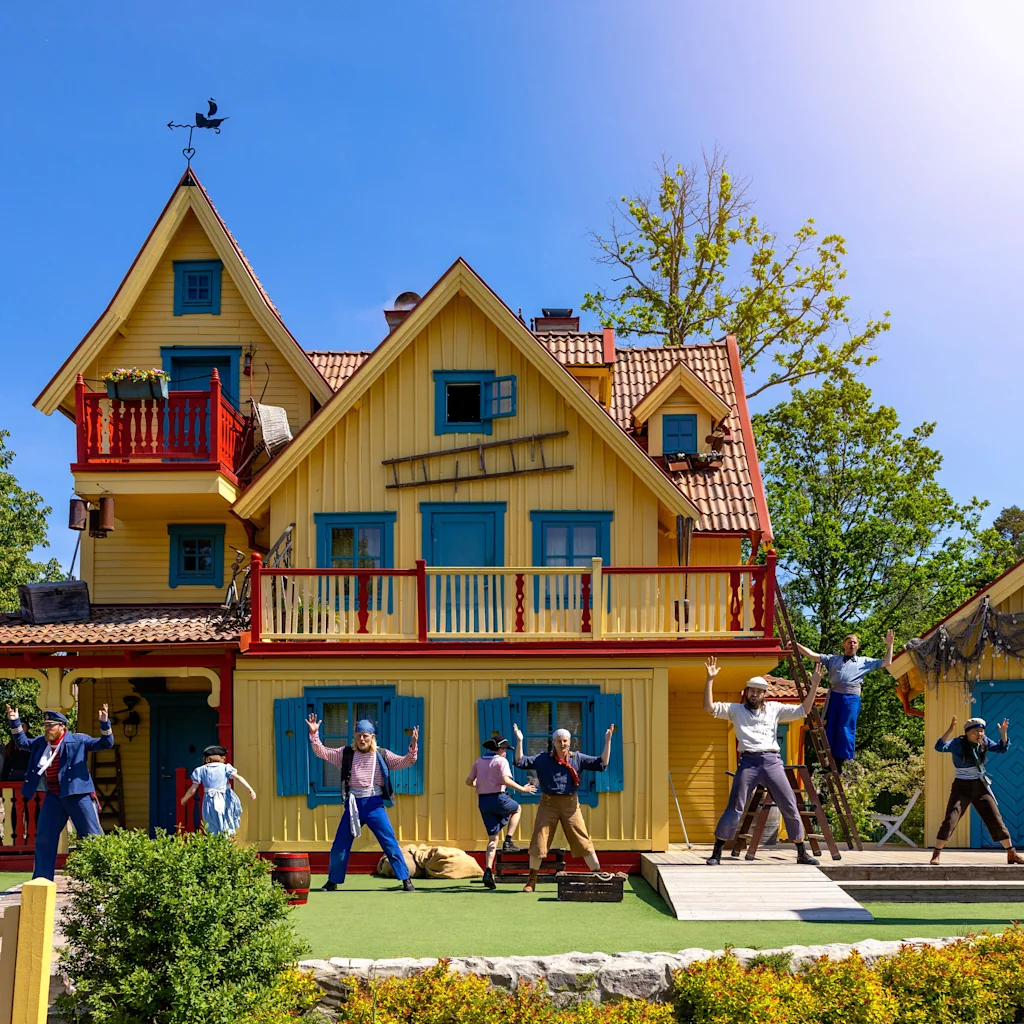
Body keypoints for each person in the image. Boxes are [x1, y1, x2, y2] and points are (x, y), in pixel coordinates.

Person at [703, 657, 824, 866]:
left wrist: (814, 685)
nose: (754, 694)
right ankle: (717, 853)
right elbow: (709, 707)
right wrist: (709, 680)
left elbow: (803, 710)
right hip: (748, 762)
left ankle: (801, 852)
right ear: (746, 692)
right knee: (735, 806)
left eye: (759, 691)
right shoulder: (736, 710)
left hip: (772, 762)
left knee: (789, 804)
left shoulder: (775, 709)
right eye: (751, 690)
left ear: (764, 694)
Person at [306, 713, 419, 892]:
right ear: (355, 737)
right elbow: (323, 752)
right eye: (358, 735)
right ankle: (333, 880)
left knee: (389, 841)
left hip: (374, 804)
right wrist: (314, 734)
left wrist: (413, 746)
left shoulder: (382, 754)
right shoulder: (346, 754)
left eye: (365, 736)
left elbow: (406, 761)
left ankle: (405, 879)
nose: (361, 739)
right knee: (340, 844)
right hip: (353, 804)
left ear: (372, 737)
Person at [5, 703, 111, 880]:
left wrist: (105, 724)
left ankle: (103, 879)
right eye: (45, 725)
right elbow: (22, 743)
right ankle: (42, 880)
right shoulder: (41, 743)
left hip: (78, 796)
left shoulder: (78, 740)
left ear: (62, 727)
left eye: (51, 725)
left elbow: (105, 743)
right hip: (54, 796)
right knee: (44, 839)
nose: (47, 729)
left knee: (92, 838)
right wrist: (15, 722)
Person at [512, 721, 615, 893]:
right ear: (554, 742)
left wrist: (608, 741)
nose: (562, 743)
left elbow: (602, 764)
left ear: (570, 742)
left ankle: (598, 875)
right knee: (539, 839)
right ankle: (531, 881)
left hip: (570, 804)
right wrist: (520, 741)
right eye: (559, 740)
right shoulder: (543, 759)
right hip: (548, 803)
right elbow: (520, 761)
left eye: (565, 740)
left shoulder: (578, 758)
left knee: (582, 838)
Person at [795, 630, 895, 770]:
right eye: (849, 642)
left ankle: (840, 761)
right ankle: (831, 761)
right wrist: (796, 645)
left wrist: (890, 645)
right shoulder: (833, 659)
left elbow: (887, 662)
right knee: (831, 726)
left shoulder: (864, 661)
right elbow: (812, 655)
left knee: (845, 727)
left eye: (854, 643)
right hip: (835, 694)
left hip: (851, 697)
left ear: (858, 646)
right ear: (844, 645)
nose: (852, 645)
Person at [931, 715, 1024, 865]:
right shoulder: (957, 743)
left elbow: (1002, 749)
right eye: (975, 732)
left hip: (980, 786)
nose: (979, 734)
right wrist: (949, 730)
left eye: (981, 731)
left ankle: (1011, 853)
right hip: (962, 787)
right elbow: (939, 747)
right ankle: (936, 854)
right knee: (951, 819)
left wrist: (1003, 733)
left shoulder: (984, 741)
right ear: (967, 732)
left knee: (995, 819)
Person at [465, 737, 537, 889]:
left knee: (492, 839)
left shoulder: (479, 761)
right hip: (498, 798)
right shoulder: (501, 761)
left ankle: (488, 871)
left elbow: (469, 782)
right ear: (500, 749)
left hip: (483, 802)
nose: (505, 752)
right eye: (504, 749)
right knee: (517, 809)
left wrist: (483, 784)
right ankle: (509, 841)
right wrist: (523, 789)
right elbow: (507, 780)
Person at [179, 744, 256, 835]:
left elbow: (193, 789)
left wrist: (185, 798)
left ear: (207, 758)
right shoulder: (226, 768)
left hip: (210, 800)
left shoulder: (201, 770)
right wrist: (250, 789)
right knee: (227, 820)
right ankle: (227, 844)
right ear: (222, 758)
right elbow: (238, 778)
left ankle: (214, 844)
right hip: (225, 799)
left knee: (211, 823)